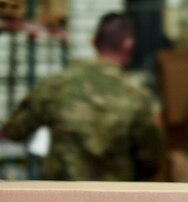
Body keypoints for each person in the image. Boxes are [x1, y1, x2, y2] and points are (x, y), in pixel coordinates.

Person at [2, 12, 161, 181]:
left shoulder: (56, 85)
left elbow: (14, 130)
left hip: (60, 197)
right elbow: (150, 159)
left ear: (93, 42)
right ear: (129, 45)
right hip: (114, 199)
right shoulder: (139, 96)